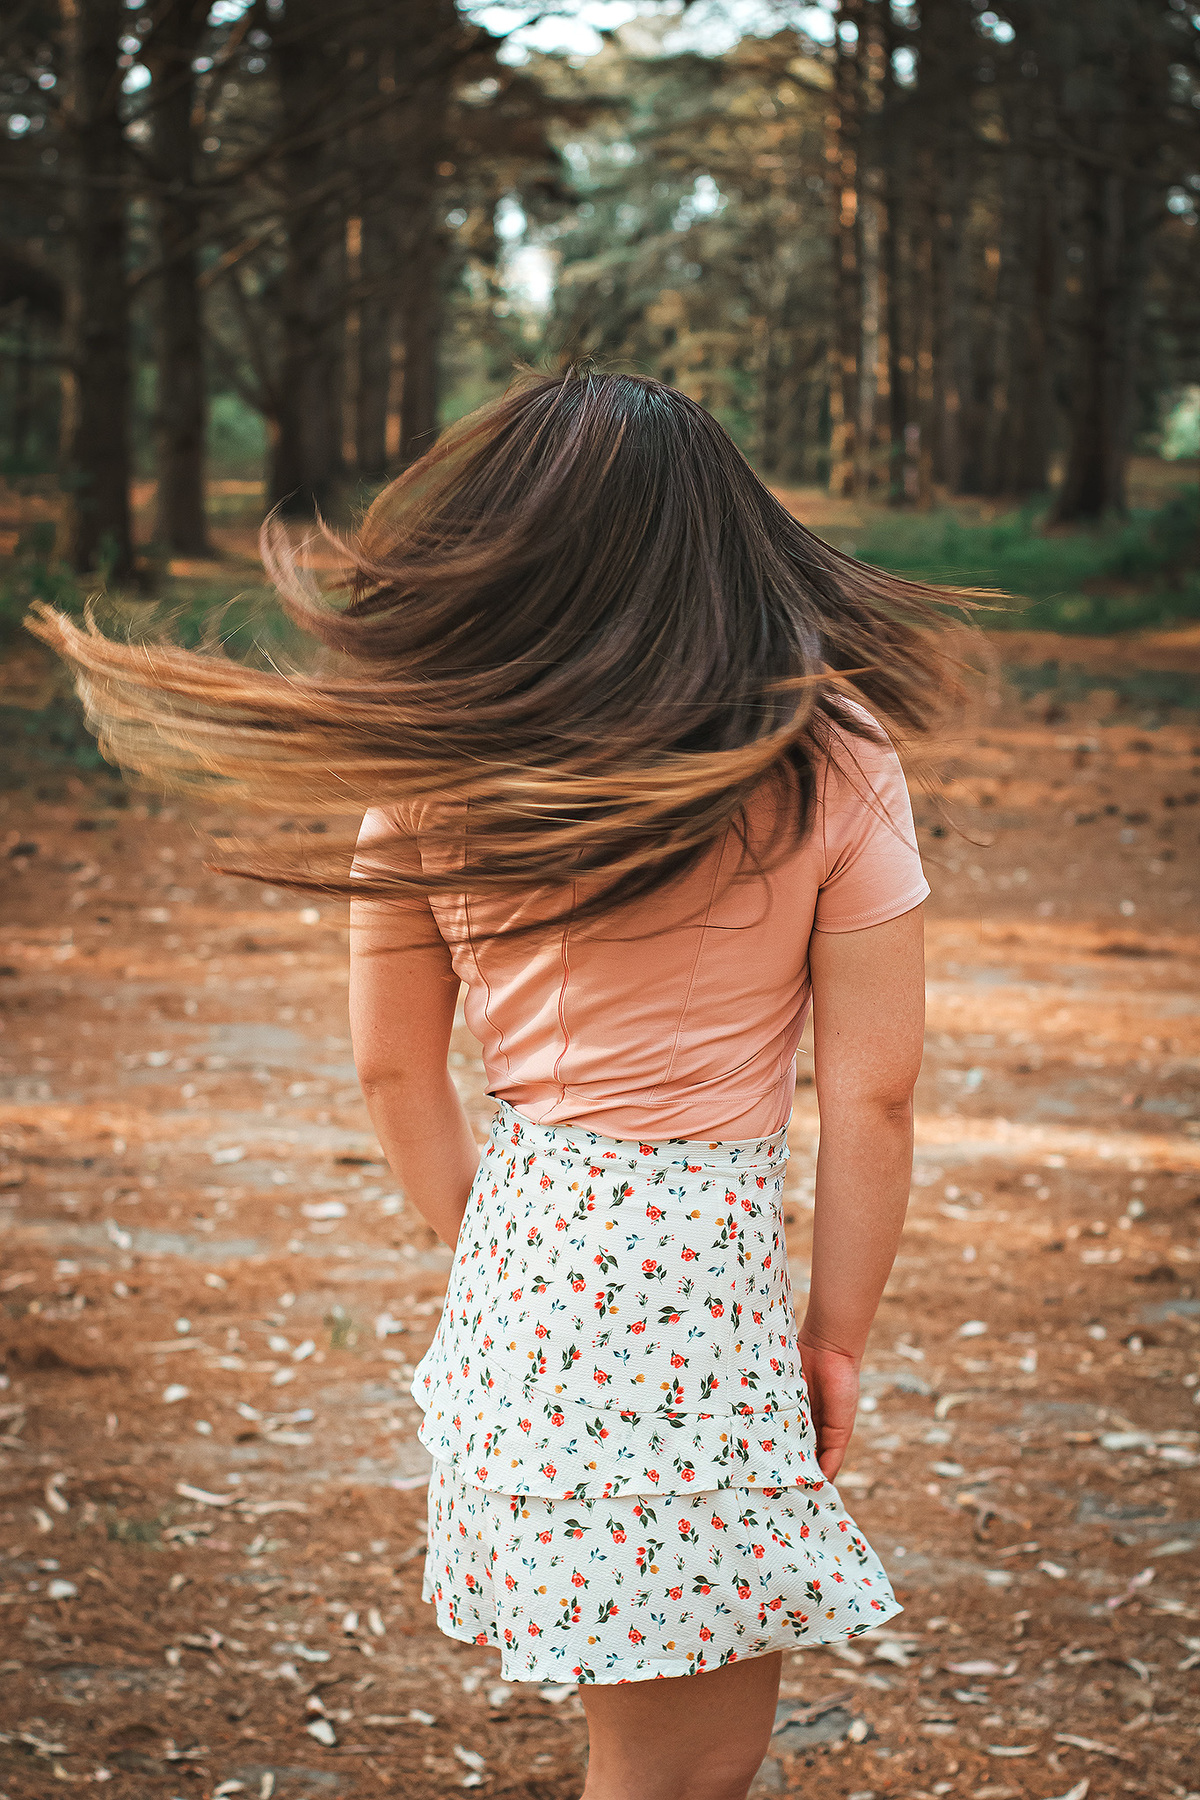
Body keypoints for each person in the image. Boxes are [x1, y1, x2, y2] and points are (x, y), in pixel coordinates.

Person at [33, 370, 971, 1800]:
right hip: (694, 1315)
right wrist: (834, 1338)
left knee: (655, 1745)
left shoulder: (436, 758)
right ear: (731, 537)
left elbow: (392, 1064)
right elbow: (877, 1103)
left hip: (525, 1277)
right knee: (684, 1765)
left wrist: (501, 1262)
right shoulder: (829, 752)